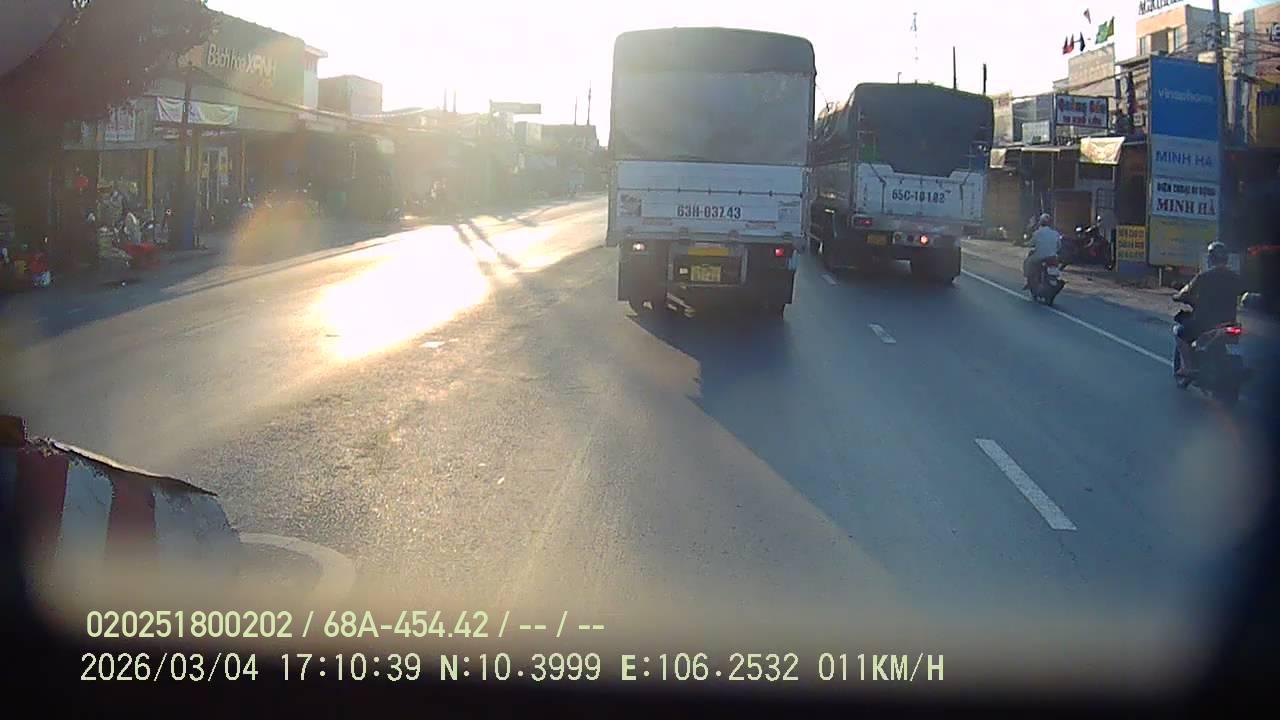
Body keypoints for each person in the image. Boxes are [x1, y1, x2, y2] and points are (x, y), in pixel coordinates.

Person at [1173, 241, 1243, 377]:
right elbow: (1244, 292)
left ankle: (1188, 367)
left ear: (1211, 258)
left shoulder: (1203, 277)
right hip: (1229, 323)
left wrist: (1177, 297)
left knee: (1179, 333)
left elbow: (1185, 293)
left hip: (1204, 323)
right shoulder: (1235, 277)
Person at [1023, 213, 1062, 289]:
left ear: (1040, 223)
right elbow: (1059, 246)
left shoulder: (1037, 233)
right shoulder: (1055, 233)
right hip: (1052, 257)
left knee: (1027, 262)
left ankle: (1028, 281)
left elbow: (1031, 243)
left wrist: (1025, 244)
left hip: (1039, 257)